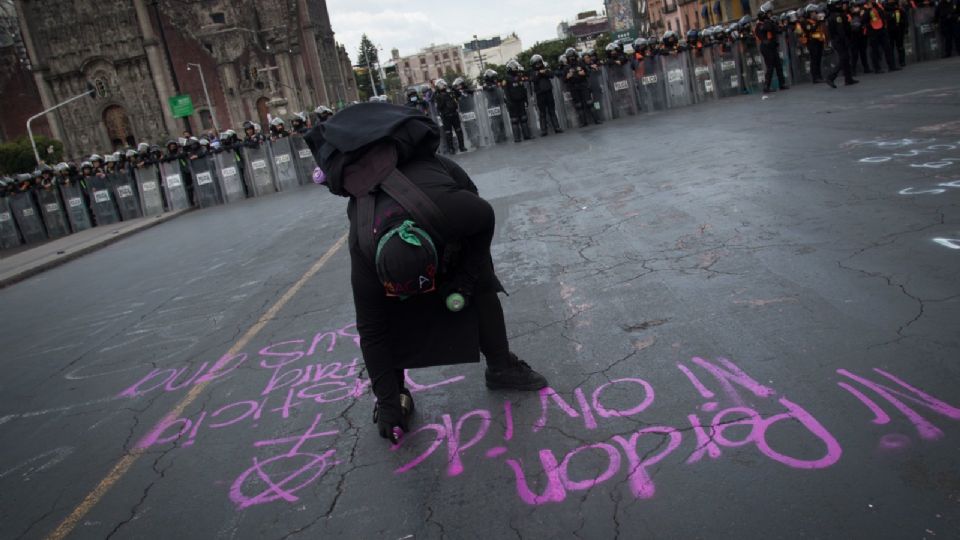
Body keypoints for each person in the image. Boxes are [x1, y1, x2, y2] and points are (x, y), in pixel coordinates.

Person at [303, 103, 548, 443]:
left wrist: (461, 279)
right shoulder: (364, 252)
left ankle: (501, 365)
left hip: (442, 198)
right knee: (384, 318)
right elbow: (371, 329)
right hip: (389, 217)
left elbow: (485, 220)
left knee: (481, 278)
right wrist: (387, 403)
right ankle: (398, 394)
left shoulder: (453, 212)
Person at [755, 1, 789, 92]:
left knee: (778, 65)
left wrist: (782, 26)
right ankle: (766, 86)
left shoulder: (767, 22)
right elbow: (769, 29)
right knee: (770, 67)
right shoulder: (760, 25)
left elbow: (777, 30)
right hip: (766, 47)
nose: (770, 15)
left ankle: (782, 84)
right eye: (769, 13)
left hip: (771, 46)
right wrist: (772, 22)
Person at [562, 47, 602, 127]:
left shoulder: (581, 63)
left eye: (572, 56)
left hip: (583, 85)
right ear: (567, 58)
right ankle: (583, 122)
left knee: (589, 103)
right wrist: (567, 77)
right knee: (578, 105)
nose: (572, 58)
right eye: (570, 57)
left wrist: (584, 73)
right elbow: (564, 79)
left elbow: (587, 72)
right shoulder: (566, 68)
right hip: (574, 88)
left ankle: (597, 119)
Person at [826, 0, 861, 87]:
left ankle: (848, 79)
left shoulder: (834, 15)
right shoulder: (837, 16)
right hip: (840, 40)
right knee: (843, 59)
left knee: (846, 58)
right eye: (839, 4)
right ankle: (831, 77)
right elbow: (840, 30)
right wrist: (846, 39)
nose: (842, 6)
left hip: (838, 40)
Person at [528, 54, 563, 136]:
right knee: (542, 113)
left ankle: (557, 127)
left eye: (539, 63)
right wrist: (539, 73)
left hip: (548, 92)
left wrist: (545, 72)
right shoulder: (532, 71)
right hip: (540, 94)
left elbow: (552, 75)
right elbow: (533, 79)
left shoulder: (546, 68)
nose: (538, 65)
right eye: (536, 63)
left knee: (552, 111)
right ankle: (544, 130)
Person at [863, 0, 900, 72]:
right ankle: (877, 68)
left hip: (882, 30)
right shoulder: (866, 10)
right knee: (875, 50)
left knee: (887, 48)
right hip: (873, 32)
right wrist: (868, 10)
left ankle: (891, 66)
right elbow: (864, 20)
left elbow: (884, 15)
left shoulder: (879, 7)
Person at [432, 79, 467, 154]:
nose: (442, 86)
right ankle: (451, 148)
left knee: (459, 131)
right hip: (445, 117)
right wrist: (437, 92)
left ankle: (462, 146)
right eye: (440, 85)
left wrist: (453, 88)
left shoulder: (451, 92)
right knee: (448, 133)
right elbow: (437, 105)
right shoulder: (437, 95)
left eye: (443, 84)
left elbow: (458, 95)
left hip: (454, 114)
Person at [502, 60, 532, 143]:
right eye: (515, 68)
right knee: (514, 120)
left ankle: (527, 135)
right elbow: (505, 92)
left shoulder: (519, 77)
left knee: (524, 118)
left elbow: (523, 90)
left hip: (521, 101)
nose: (516, 69)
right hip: (512, 102)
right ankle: (517, 138)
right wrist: (509, 102)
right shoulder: (506, 78)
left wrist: (525, 100)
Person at [800, 3, 828, 83]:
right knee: (814, 60)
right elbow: (810, 29)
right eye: (813, 12)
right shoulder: (806, 22)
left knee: (818, 59)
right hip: (812, 42)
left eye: (815, 12)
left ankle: (819, 76)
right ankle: (815, 77)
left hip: (819, 41)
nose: (815, 14)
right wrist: (818, 22)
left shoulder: (816, 21)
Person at [848, 0, 871, 75]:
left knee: (863, 52)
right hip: (853, 35)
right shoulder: (849, 13)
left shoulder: (862, 11)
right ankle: (853, 70)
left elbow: (865, 19)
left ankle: (866, 68)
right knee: (855, 53)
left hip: (861, 33)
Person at [883, 0, 909, 66]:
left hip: (898, 30)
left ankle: (901, 62)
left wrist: (905, 28)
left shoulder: (899, 9)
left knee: (899, 47)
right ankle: (893, 63)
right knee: (892, 47)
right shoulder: (885, 9)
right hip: (890, 31)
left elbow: (905, 19)